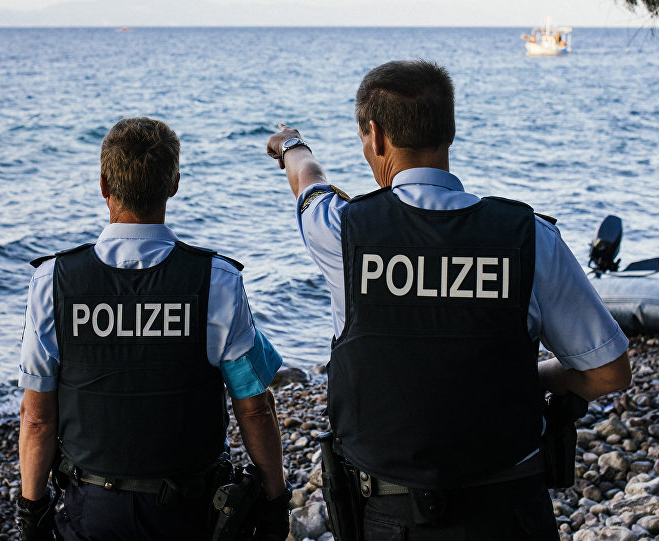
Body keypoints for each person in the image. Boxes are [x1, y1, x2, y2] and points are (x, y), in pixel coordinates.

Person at [265, 60, 632, 540]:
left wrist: (291, 142)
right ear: (450, 132)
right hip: (510, 513)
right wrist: (533, 376)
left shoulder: (341, 231)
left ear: (374, 136)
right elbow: (609, 372)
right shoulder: (530, 238)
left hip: (392, 519)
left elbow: (307, 179)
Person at [17, 117, 290, 540]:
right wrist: (275, 499)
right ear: (174, 184)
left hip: (92, 510)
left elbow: (37, 417)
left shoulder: (53, 281)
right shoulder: (216, 280)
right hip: (190, 511)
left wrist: (30, 510)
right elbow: (253, 406)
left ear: (104, 184)